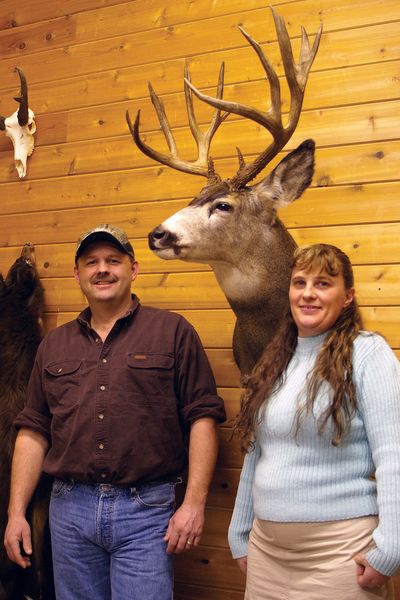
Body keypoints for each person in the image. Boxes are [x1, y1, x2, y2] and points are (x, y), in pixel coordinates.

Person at [4, 223, 226, 600]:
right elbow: (34, 430)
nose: (102, 269)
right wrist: (15, 513)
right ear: (78, 274)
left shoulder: (172, 332)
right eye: (91, 262)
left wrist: (193, 504)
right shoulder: (53, 346)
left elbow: (202, 417)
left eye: (113, 260)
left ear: (133, 269)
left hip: (146, 510)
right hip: (69, 510)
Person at [228, 243, 400, 599]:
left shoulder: (367, 354)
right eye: (300, 282)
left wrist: (391, 548)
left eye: (323, 284)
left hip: (340, 553)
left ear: (347, 296)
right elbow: (259, 452)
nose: (308, 294)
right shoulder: (275, 362)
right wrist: (238, 531)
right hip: (267, 554)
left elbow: (395, 454)